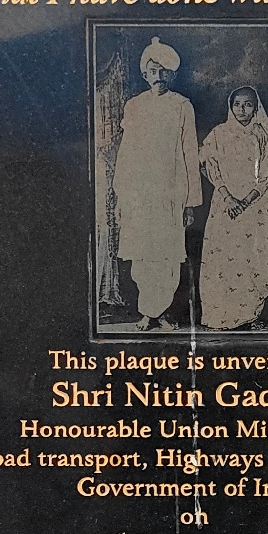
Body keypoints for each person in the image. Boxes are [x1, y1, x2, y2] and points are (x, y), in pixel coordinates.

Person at [111, 37, 201, 330]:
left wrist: (189, 202)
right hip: (140, 193)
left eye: (164, 71)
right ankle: (147, 311)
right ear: (144, 74)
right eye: (153, 71)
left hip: (171, 192)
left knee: (167, 255)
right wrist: (122, 196)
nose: (158, 76)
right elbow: (126, 152)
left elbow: (190, 152)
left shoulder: (182, 106)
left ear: (173, 74)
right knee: (143, 253)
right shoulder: (134, 106)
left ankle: (161, 312)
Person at [197, 86, 268, 330]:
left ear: (255, 107)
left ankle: (249, 315)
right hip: (225, 204)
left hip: (256, 207)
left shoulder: (263, 136)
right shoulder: (219, 134)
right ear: (230, 106)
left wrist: (245, 201)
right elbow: (208, 165)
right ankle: (220, 316)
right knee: (222, 257)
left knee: (253, 257)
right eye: (237, 104)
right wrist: (228, 198)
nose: (242, 110)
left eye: (247, 104)